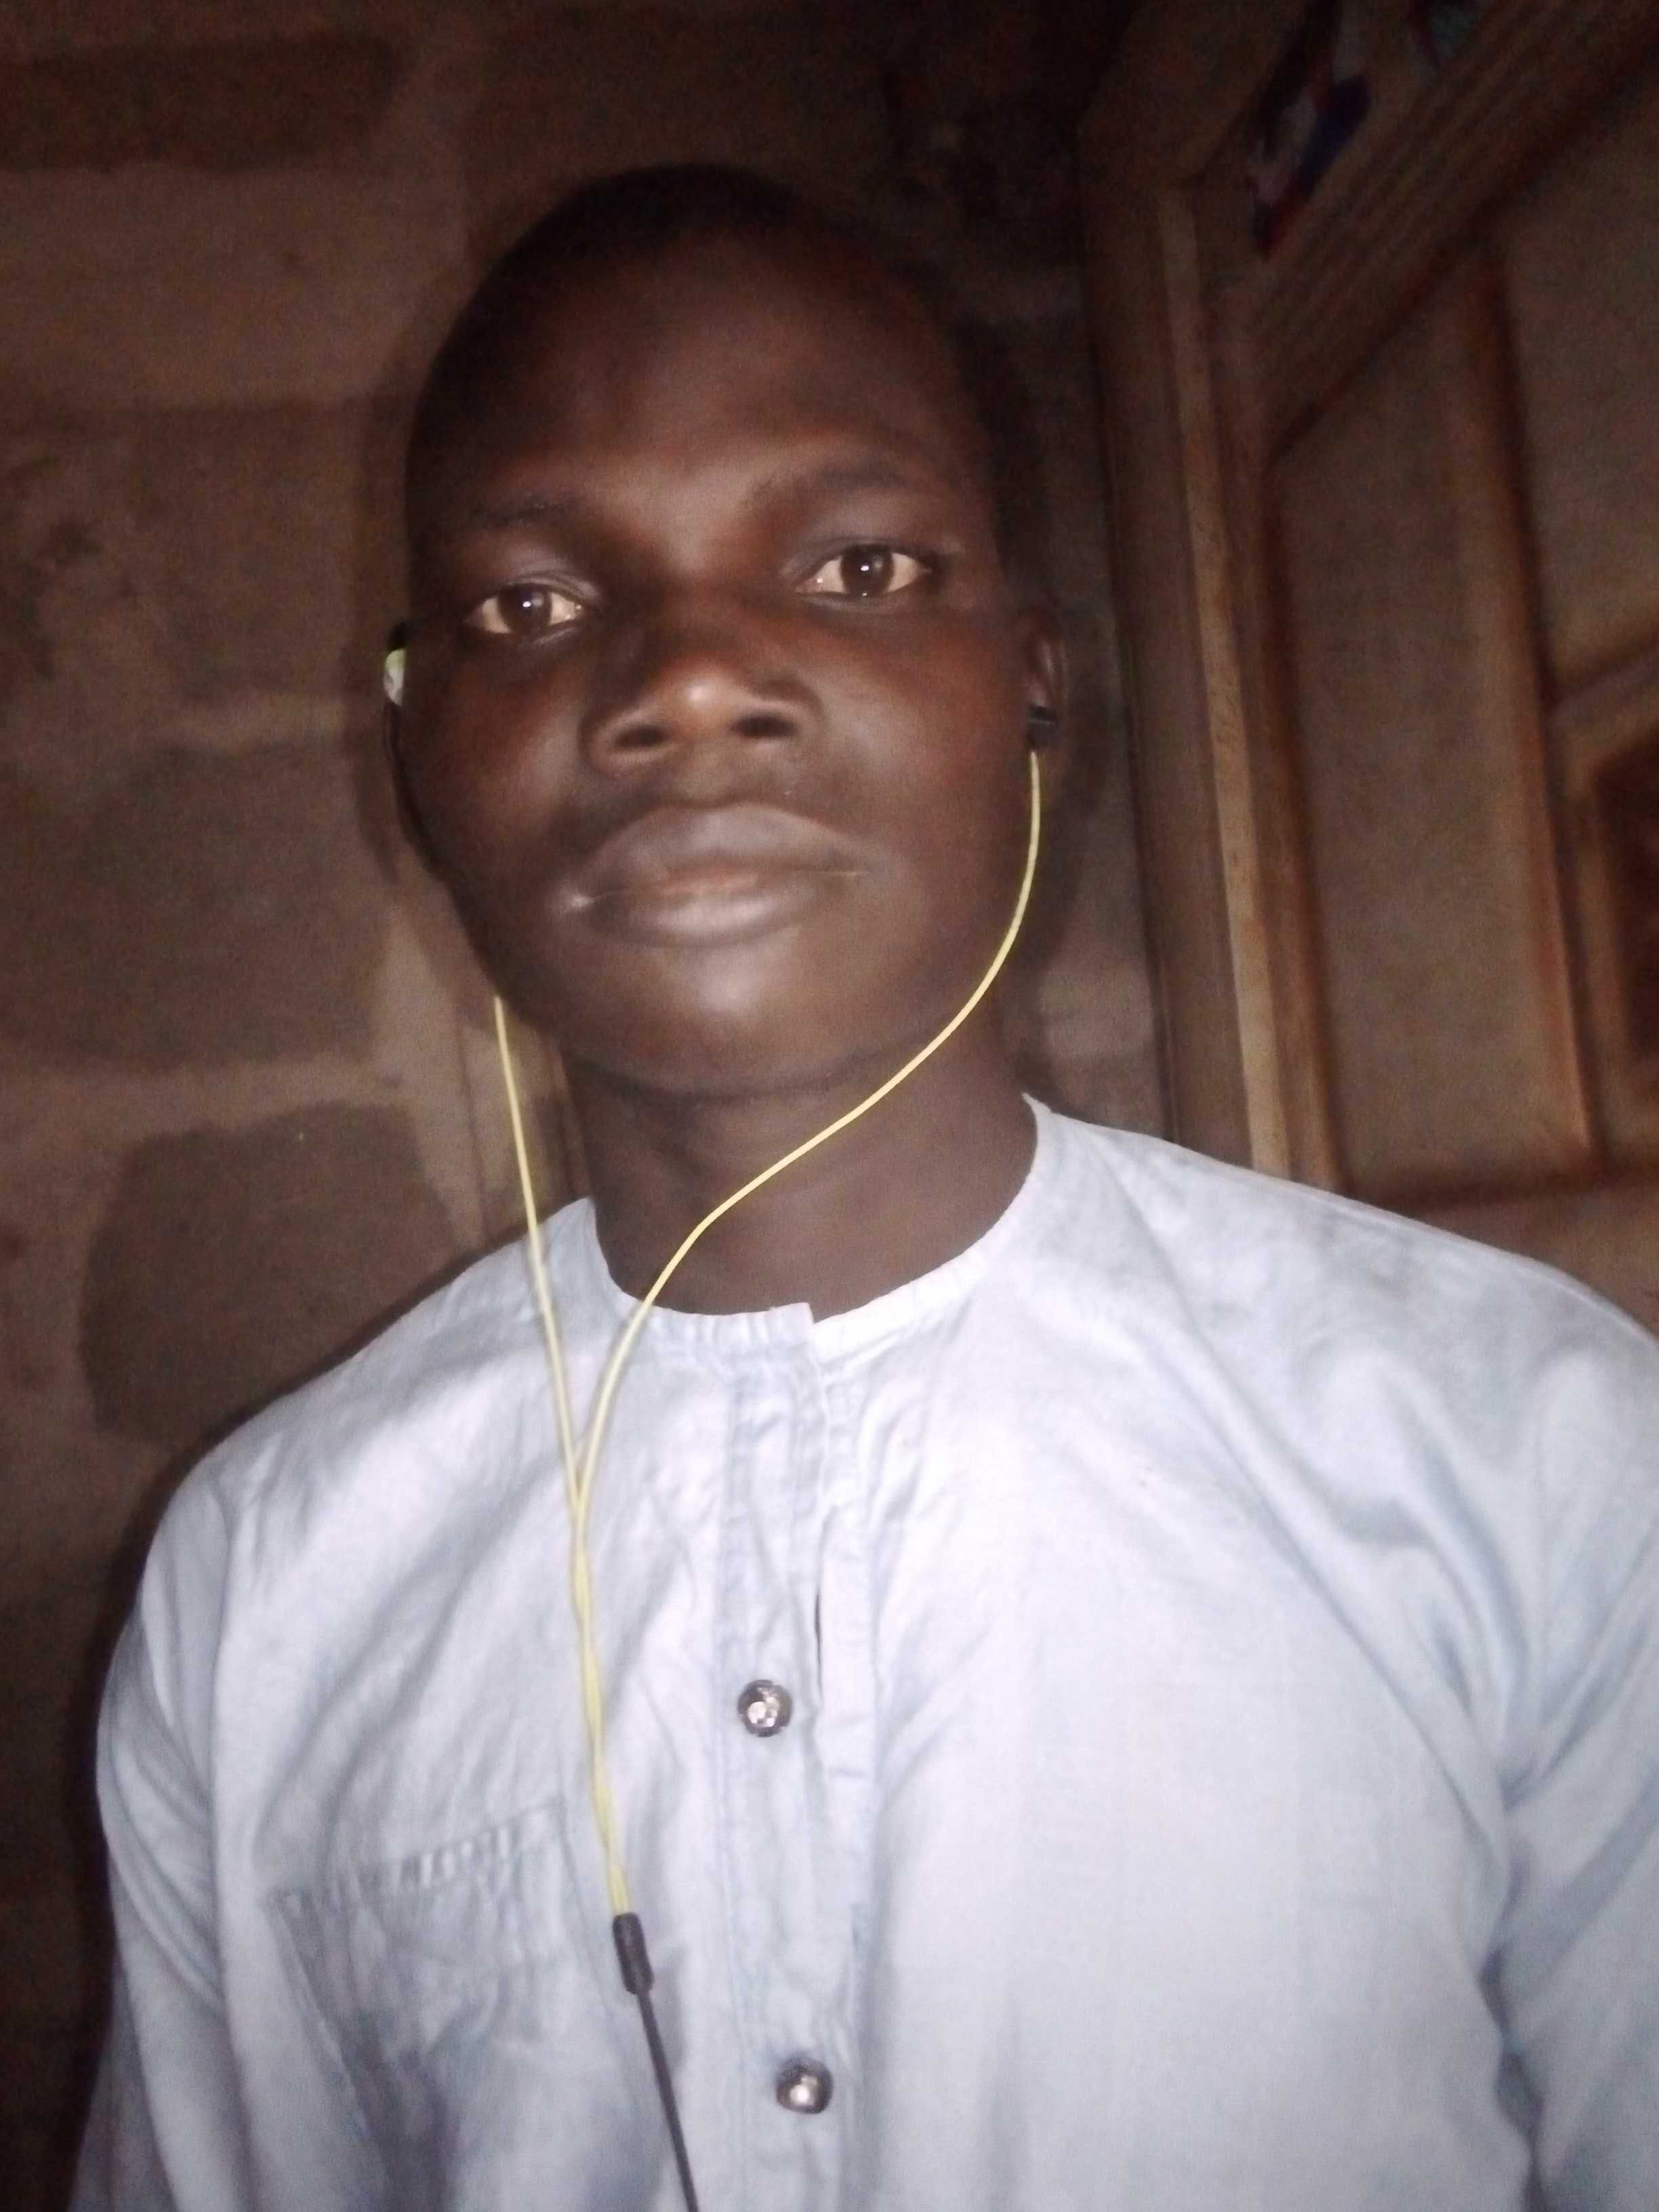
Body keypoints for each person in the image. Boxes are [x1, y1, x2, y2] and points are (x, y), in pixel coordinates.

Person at [75, 165, 1659, 2212]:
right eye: (532, 608)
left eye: (857, 566)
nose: (684, 681)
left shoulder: (1520, 1450)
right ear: (415, 753)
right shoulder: (266, 1585)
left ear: (1032, 682)